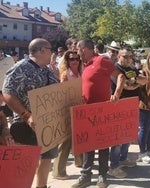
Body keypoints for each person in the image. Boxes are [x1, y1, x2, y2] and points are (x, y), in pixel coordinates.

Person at [2, 38, 59, 188]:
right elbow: (7, 93)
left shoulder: (47, 70)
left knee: (47, 157)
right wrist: (27, 116)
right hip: (26, 126)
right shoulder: (19, 68)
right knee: (27, 163)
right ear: (42, 51)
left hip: (47, 123)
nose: (52, 53)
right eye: (50, 49)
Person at [72, 39, 125, 188]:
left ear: (84, 49)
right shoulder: (84, 65)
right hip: (87, 112)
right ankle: (85, 176)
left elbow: (120, 76)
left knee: (103, 145)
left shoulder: (102, 60)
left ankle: (102, 176)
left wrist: (116, 93)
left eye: (78, 50)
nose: (77, 53)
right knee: (88, 144)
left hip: (102, 111)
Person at [108, 47, 147, 178]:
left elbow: (144, 80)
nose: (128, 59)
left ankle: (123, 158)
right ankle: (113, 166)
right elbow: (125, 85)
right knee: (118, 138)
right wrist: (135, 83)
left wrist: (135, 82)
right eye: (125, 56)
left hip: (132, 106)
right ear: (119, 56)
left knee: (128, 134)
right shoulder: (115, 69)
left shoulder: (131, 69)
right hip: (119, 107)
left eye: (130, 56)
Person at [52, 50, 82, 180]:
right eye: (72, 59)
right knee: (66, 141)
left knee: (80, 137)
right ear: (67, 61)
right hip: (67, 111)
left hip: (80, 109)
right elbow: (62, 95)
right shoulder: (64, 75)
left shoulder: (82, 72)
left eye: (77, 59)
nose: (75, 61)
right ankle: (58, 171)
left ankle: (79, 161)